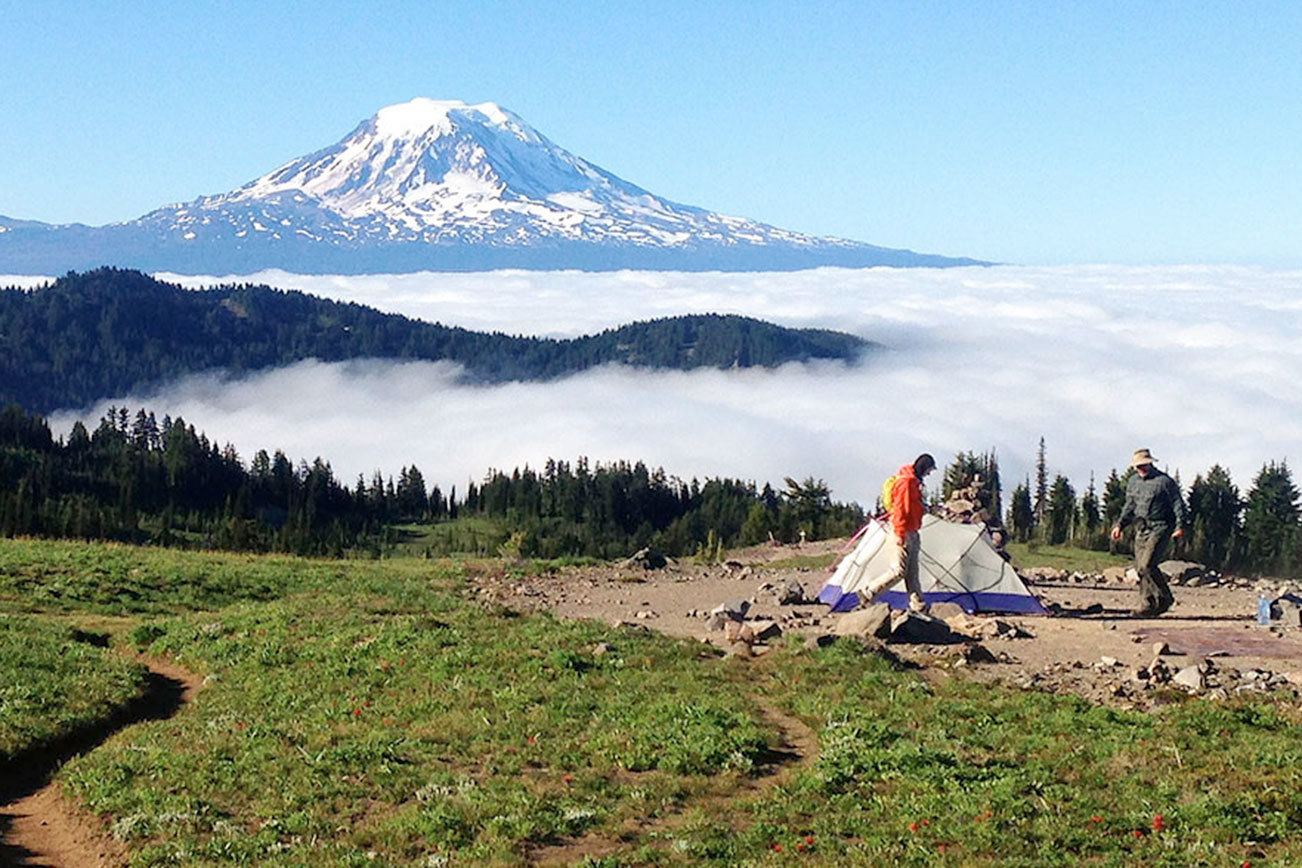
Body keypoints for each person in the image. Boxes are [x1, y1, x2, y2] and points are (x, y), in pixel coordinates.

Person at [1110, 448, 1187, 617]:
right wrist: (1119, 525)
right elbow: (1129, 506)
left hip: (1161, 526)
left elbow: (1178, 504)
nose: (1141, 469)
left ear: (1150, 463)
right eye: (1138, 466)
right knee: (1140, 569)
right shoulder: (1132, 482)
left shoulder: (1165, 482)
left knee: (1148, 565)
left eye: (1144, 465)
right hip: (1141, 528)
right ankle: (1148, 605)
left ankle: (1165, 598)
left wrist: (1179, 526)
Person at [863, 453, 936, 613]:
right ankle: (868, 592)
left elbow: (913, 507)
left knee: (912, 573)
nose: (929, 473)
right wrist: (901, 534)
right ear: (923, 467)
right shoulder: (907, 482)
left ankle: (918, 605)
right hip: (902, 531)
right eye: (929, 470)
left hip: (913, 530)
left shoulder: (913, 482)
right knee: (899, 571)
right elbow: (901, 510)